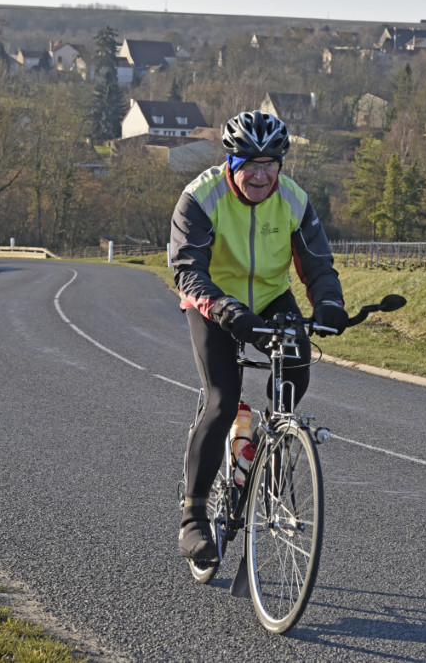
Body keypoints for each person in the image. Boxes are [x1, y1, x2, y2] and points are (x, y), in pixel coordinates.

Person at [169, 110, 347, 563]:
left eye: (270, 164)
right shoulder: (200, 198)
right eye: (250, 163)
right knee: (222, 399)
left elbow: (318, 264)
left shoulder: (293, 199)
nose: (261, 175)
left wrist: (329, 303)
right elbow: (188, 270)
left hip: (270, 297)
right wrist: (225, 309)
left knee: (298, 363)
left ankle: (266, 442)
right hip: (213, 302)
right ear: (231, 162)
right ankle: (193, 517)